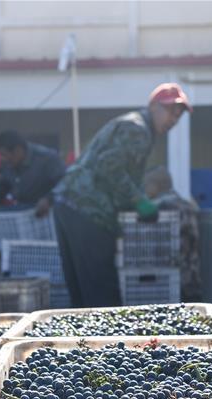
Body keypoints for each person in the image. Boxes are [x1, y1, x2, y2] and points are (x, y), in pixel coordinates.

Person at [52, 83, 192, 307]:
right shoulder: (138, 129)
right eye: (170, 111)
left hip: (68, 203)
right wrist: (139, 202)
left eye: (178, 115)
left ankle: (83, 340)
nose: (173, 119)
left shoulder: (132, 124)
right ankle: (108, 342)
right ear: (153, 106)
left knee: (81, 294)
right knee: (102, 293)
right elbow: (108, 167)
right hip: (89, 210)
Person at [142, 166, 202, 302]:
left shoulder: (162, 206)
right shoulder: (188, 204)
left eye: (146, 184)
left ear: (156, 185)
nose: (144, 189)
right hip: (194, 278)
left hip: (173, 282)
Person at [0, 130, 66, 216]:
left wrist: (49, 199)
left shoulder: (47, 159)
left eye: (3, 154)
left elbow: (64, 184)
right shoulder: (7, 163)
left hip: (50, 213)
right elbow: (3, 183)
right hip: (24, 211)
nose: (2, 159)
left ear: (18, 150)